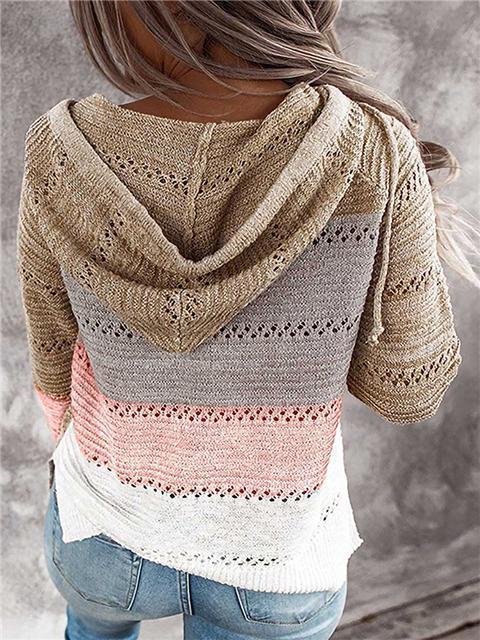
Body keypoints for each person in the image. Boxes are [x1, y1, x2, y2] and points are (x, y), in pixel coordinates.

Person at [16, 1, 478, 639]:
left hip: (104, 533)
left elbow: (53, 360)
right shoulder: (371, 149)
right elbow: (406, 391)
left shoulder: (60, 152)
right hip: (273, 556)